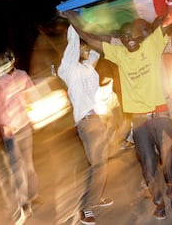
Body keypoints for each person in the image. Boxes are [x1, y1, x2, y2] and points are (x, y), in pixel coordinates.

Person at [60, 0, 172, 220]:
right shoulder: (119, 53)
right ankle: (158, 201)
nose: (130, 40)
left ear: (142, 35)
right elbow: (93, 38)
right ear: (121, 41)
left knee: (168, 159)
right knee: (148, 163)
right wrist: (72, 18)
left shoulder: (153, 43)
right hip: (139, 120)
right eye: (125, 38)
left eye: (134, 35)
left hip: (162, 112)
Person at [57, 26, 113, 225]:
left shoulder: (88, 68)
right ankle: (84, 208)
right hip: (86, 122)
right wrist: (75, 23)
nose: (86, 50)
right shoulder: (68, 69)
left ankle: (96, 198)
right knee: (97, 165)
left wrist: (97, 27)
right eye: (83, 47)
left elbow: (98, 49)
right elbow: (72, 45)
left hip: (97, 119)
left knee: (102, 163)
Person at [0, 48, 39, 225]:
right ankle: (24, 204)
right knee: (17, 169)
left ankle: (33, 195)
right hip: (9, 130)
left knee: (29, 164)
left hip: (24, 125)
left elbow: (33, 94)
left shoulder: (22, 75)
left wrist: (35, 110)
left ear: (12, 61)